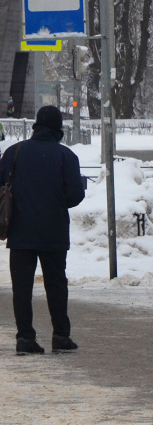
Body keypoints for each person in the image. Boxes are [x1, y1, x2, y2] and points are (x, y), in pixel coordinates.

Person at [1, 105, 87, 355]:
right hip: (54, 232)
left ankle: (25, 338)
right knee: (57, 284)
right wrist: (53, 201)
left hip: (19, 232)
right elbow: (75, 195)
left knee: (22, 286)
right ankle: (60, 335)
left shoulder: (14, 152)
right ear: (58, 128)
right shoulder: (65, 156)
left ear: (37, 125)